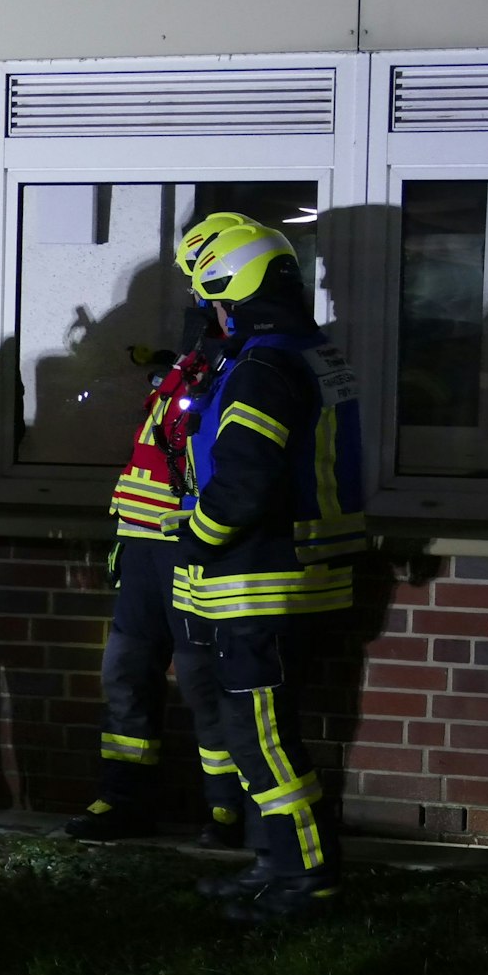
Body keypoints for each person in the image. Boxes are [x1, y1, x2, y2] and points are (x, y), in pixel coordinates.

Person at [170, 220, 367, 922]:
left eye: (210, 301)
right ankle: (272, 865)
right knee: (263, 734)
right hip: (297, 573)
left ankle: (304, 881)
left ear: (229, 292)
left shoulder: (261, 367)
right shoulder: (307, 353)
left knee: (263, 739)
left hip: (261, 580)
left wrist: (195, 538)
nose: (210, 317)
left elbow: (246, 481)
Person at [64, 211, 250, 847]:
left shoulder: (241, 370)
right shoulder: (194, 364)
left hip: (193, 548)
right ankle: (122, 803)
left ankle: (226, 810)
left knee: (202, 682)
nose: (196, 304)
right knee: (126, 676)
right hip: (144, 549)